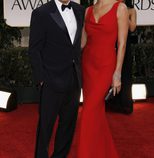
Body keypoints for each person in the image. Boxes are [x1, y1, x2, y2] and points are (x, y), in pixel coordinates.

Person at [28, 0, 85, 157]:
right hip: (51, 80)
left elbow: (78, 44)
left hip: (74, 79)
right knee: (45, 129)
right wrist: (41, 79)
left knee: (68, 127)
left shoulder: (80, 10)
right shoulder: (41, 13)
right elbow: (34, 49)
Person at [77, 0, 128, 157]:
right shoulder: (88, 11)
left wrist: (117, 73)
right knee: (96, 113)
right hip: (88, 65)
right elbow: (83, 42)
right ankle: (103, 153)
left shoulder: (120, 8)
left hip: (106, 66)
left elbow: (122, 43)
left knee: (88, 112)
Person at [108, 0, 137, 114]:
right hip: (113, 43)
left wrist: (125, 15)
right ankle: (112, 102)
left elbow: (132, 28)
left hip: (125, 45)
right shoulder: (112, 8)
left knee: (125, 74)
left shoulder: (131, 10)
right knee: (111, 72)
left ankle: (125, 105)